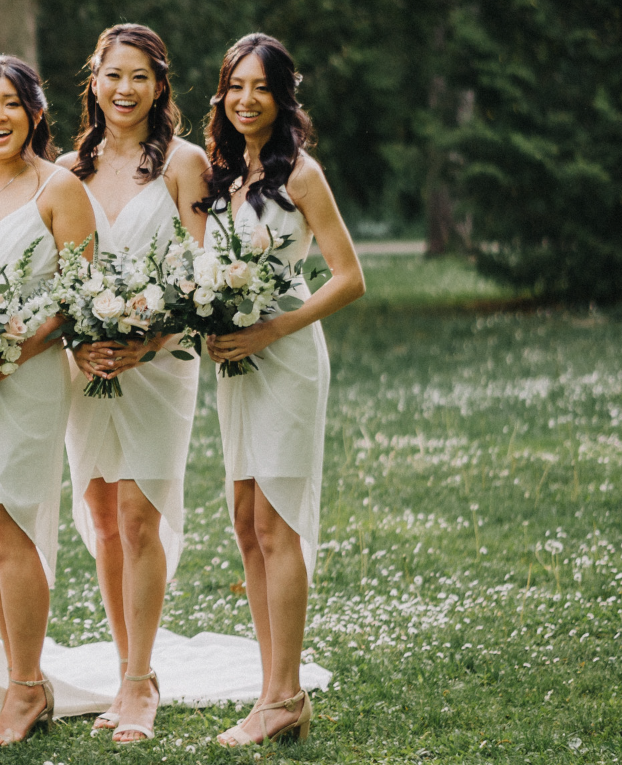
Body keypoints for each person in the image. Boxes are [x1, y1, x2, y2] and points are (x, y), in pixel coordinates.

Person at [198, 32, 365, 746]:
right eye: (235, 86)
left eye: (259, 88)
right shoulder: (224, 173)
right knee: (244, 517)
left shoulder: (301, 175)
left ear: (282, 96)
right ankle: (274, 686)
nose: (245, 99)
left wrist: (272, 330)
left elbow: (350, 276)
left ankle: (283, 695)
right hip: (237, 362)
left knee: (278, 521)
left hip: (287, 355)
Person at [53, 23, 207, 744]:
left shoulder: (185, 163)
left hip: (161, 366)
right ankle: (122, 665)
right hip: (86, 368)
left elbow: (204, 275)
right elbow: (55, 275)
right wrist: (80, 342)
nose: (124, 88)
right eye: (113, 74)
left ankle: (142, 680)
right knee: (103, 515)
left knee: (141, 515)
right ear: (94, 80)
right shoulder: (67, 168)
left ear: (160, 84)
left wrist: (151, 339)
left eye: (139, 75)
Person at [0, 55, 98, 747]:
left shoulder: (60, 188)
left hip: (28, 379)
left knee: (8, 520)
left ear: (34, 112)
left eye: (9, 103)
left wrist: (8, 353)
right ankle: (19, 676)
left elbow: (80, 296)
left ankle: (28, 687)